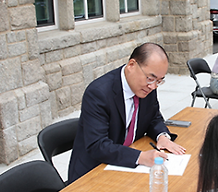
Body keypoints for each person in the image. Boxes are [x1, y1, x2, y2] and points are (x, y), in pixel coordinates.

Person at [68, 43, 186, 183]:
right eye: (150, 78)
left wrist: (162, 137)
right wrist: (140, 157)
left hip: (125, 168)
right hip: (93, 172)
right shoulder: (99, 93)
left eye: (159, 81)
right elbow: (97, 145)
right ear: (131, 65)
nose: (153, 86)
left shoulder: (146, 88)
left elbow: (153, 117)